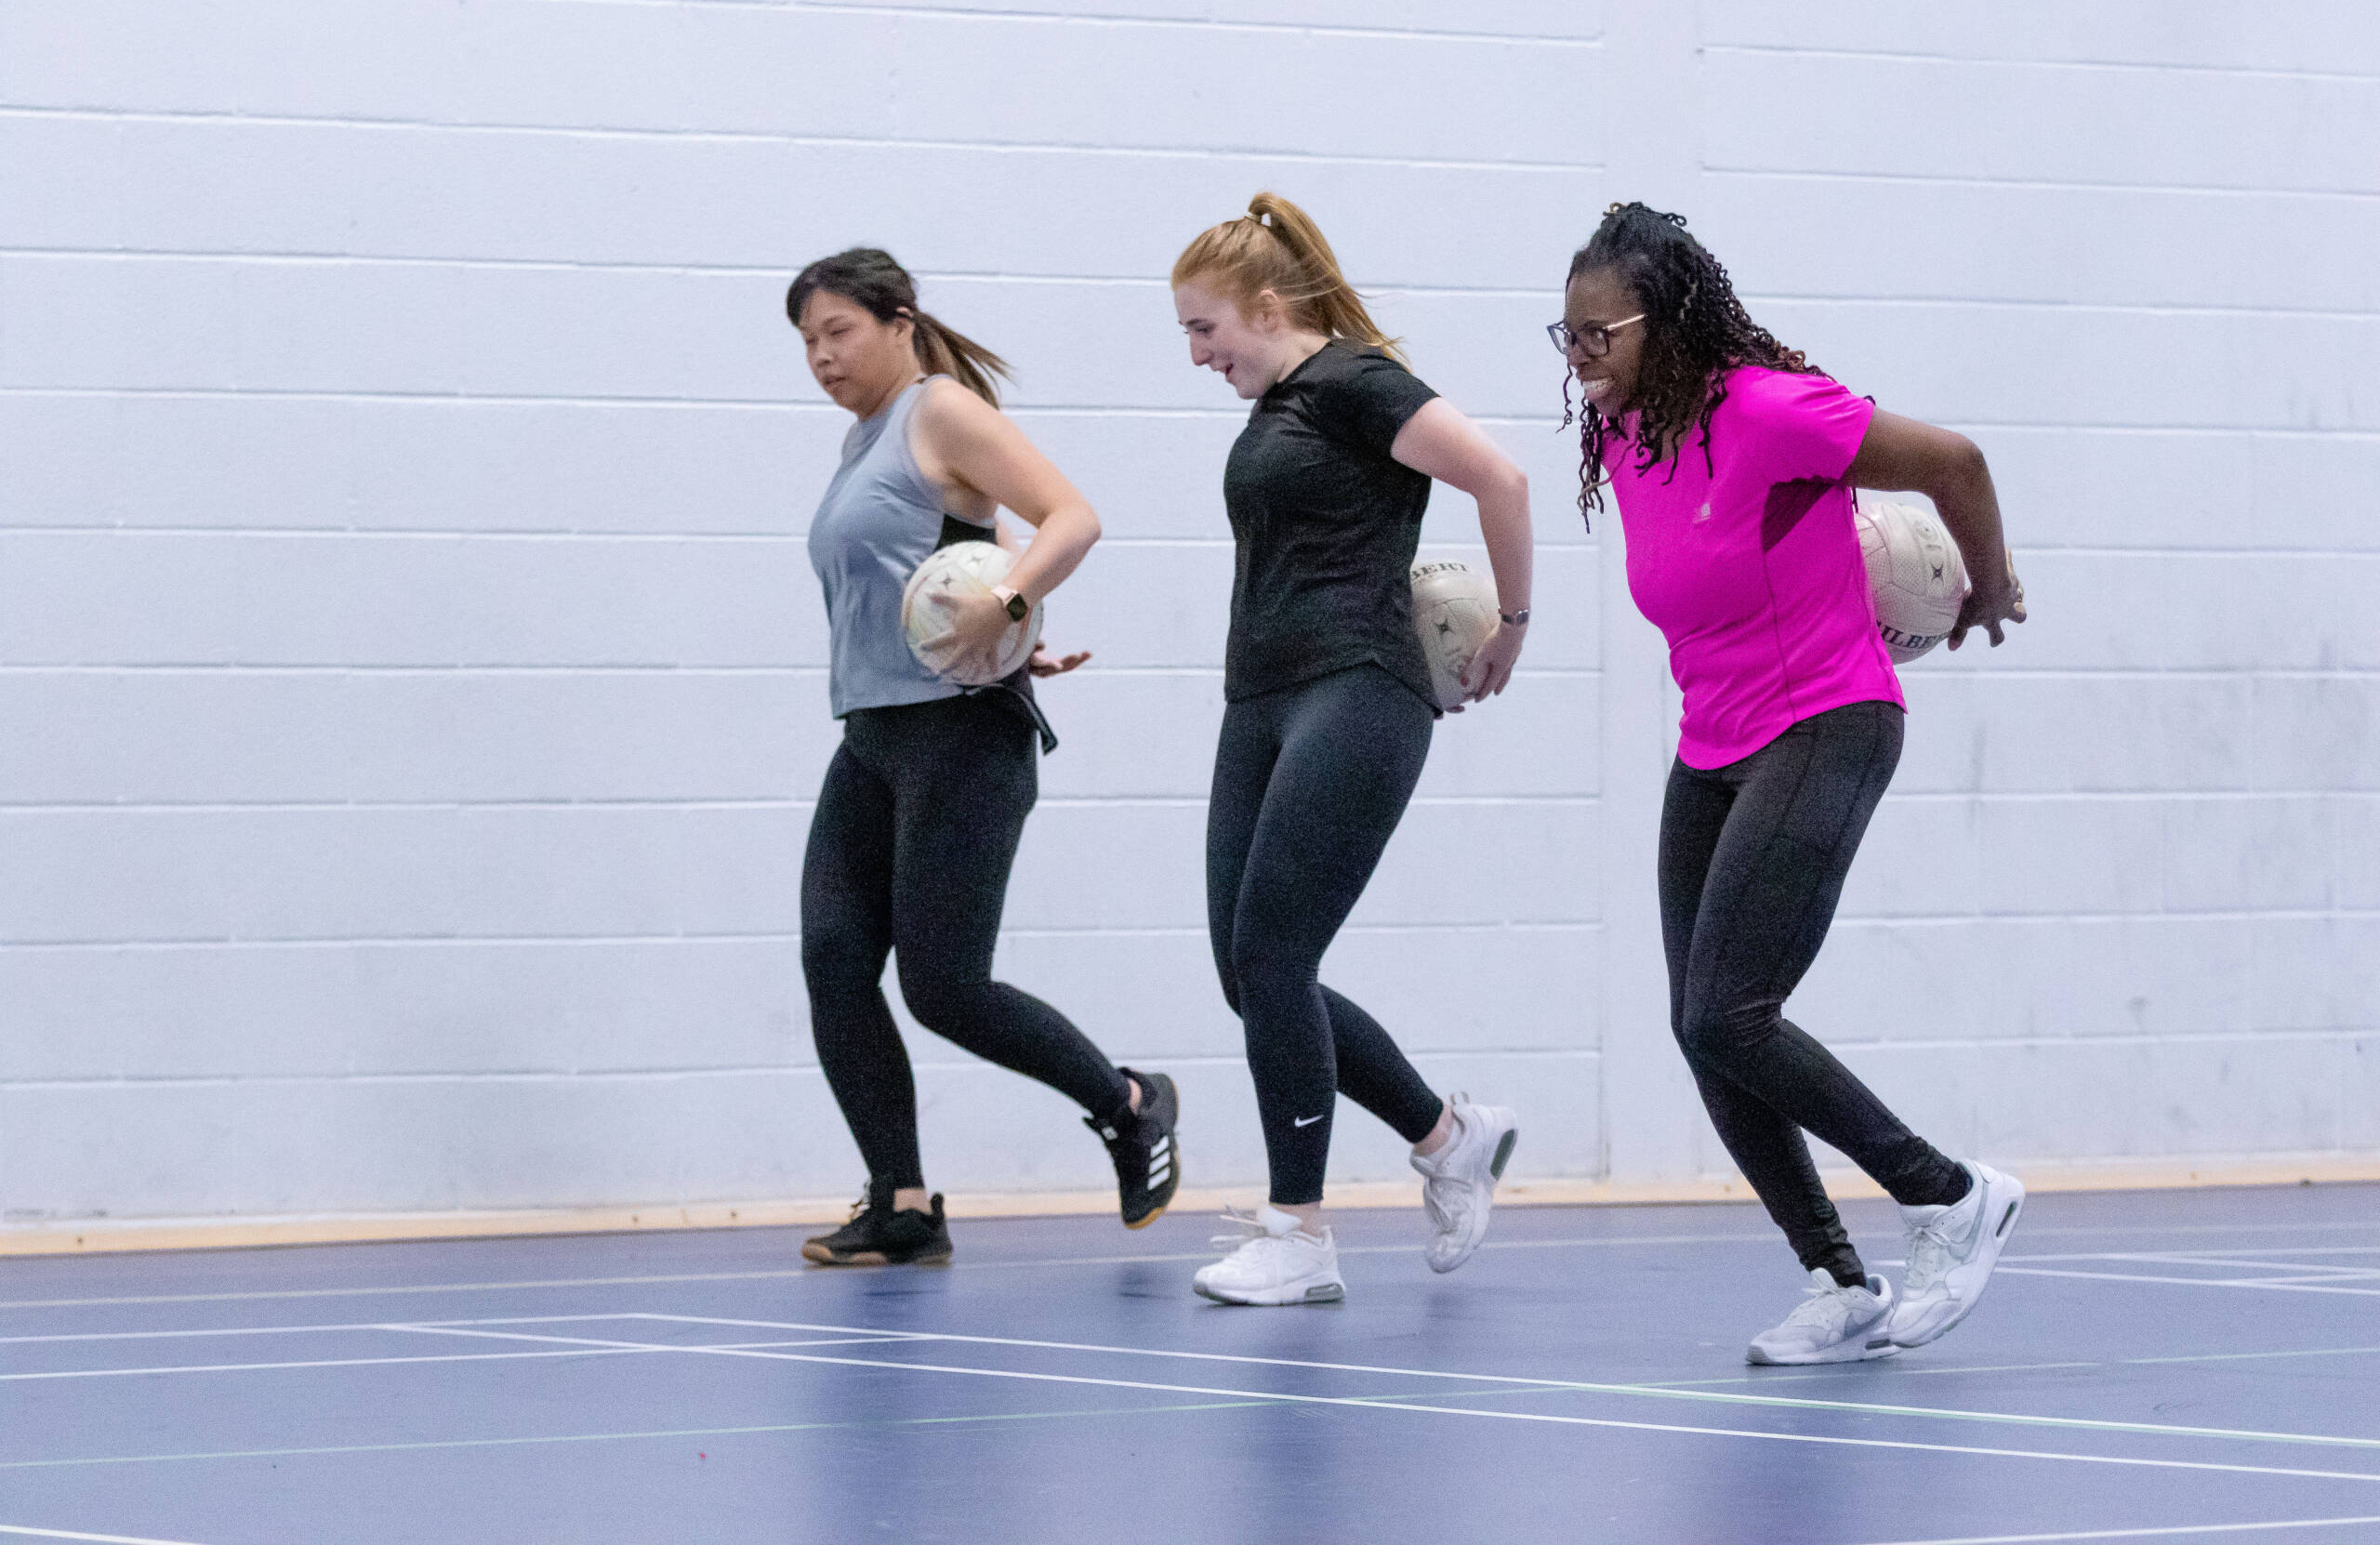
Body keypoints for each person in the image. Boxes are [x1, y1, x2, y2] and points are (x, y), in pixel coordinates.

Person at [1557, 203, 2029, 1363]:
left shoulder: (1769, 412)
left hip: (1827, 718)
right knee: (1700, 1025)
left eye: (1593, 335)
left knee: (1730, 1011)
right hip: (1711, 740)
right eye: (1560, 337)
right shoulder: (1625, 437)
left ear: (1660, 326)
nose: (1576, 360)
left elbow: (1955, 461)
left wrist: (1986, 584)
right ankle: (1835, 1277)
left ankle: (1951, 1195)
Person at [1169, 193, 1532, 1306]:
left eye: (1203, 329)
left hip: (1357, 692)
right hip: (1261, 700)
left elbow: (1499, 479)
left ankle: (1298, 1232)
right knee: (1251, 972)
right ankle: (1446, 1136)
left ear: (1267, 306)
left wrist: (1511, 625)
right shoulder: (1279, 404)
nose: (1196, 356)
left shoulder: (1356, 382)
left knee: (1274, 955)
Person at [788, 247, 1179, 1265]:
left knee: (944, 988)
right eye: (806, 343)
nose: (821, 356)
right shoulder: (863, 444)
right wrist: (1011, 630)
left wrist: (1005, 613)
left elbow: (1071, 517)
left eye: (838, 331)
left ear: (898, 320)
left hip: (961, 738)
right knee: (835, 962)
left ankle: (1130, 1103)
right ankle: (902, 1203)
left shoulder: (941, 410)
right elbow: (962, 564)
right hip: (873, 735)